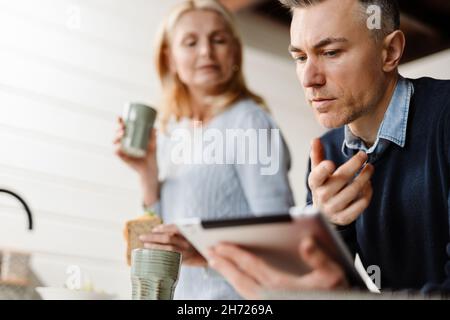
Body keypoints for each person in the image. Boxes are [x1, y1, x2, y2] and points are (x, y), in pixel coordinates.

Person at [207, 0, 450, 298]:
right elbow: (324, 290)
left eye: (331, 53)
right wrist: (327, 227)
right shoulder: (327, 152)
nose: (310, 79)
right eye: (299, 57)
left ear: (390, 52)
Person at [113, 0, 294, 299]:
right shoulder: (173, 132)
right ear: (170, 58)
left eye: (218, 40)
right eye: (190, 42)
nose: (206, 52)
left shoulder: (250, 122)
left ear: (234, 52)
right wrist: (147, 174)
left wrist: (203, 253)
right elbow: (160, 242)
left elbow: (279, 241)